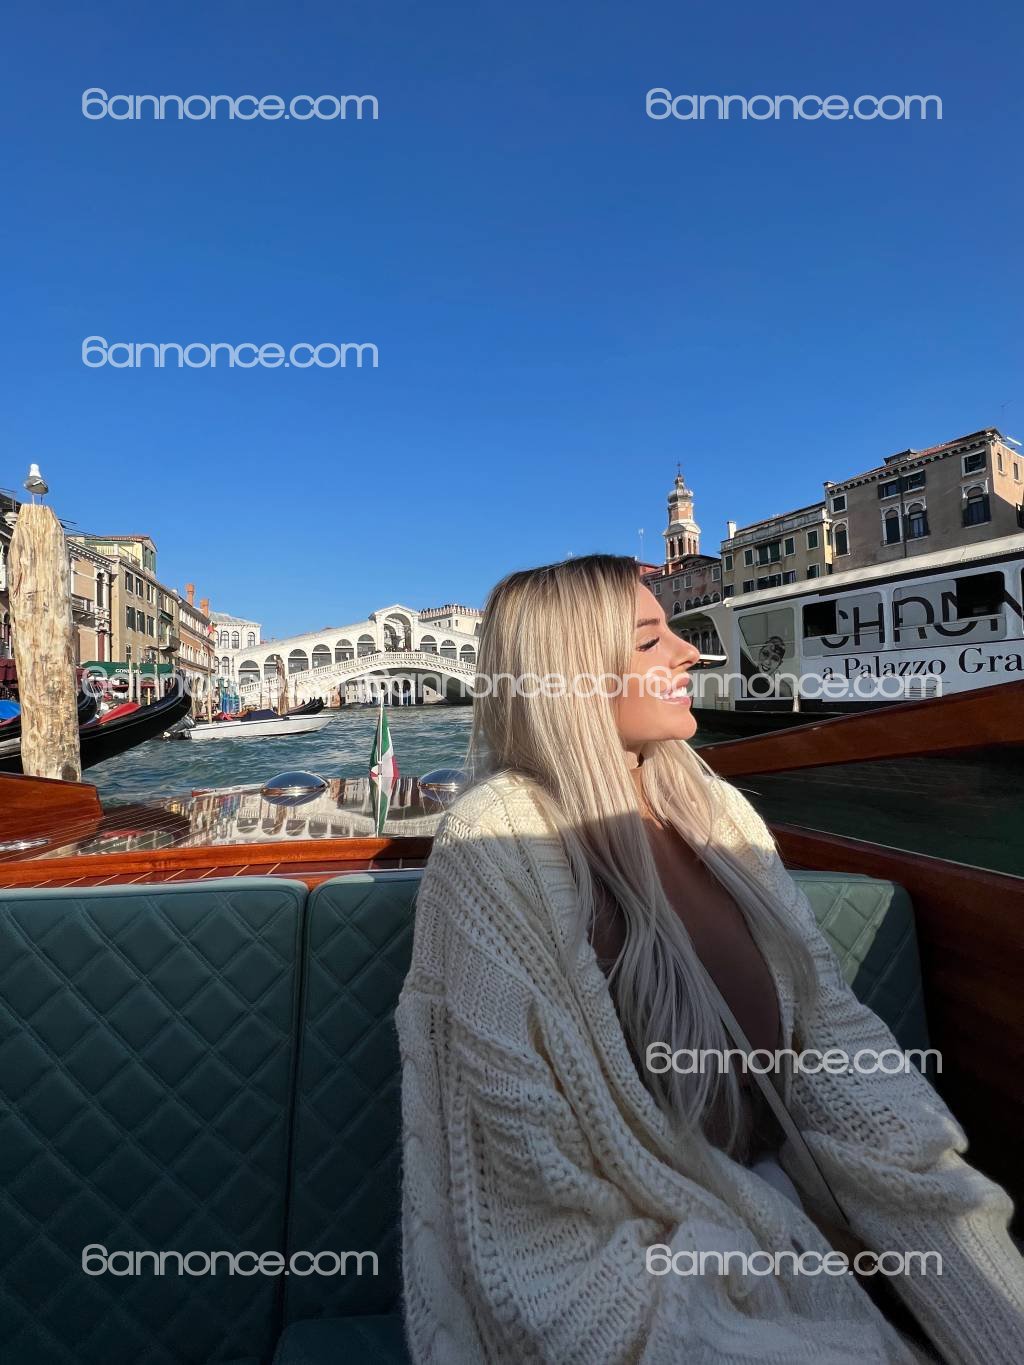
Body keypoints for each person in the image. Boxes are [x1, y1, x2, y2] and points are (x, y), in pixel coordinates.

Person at [397, 553, 1024, 1365]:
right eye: (650, 639)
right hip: (657, 1295)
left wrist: (988, 1292)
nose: (691, 651)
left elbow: (846, 1063)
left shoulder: (716, 807)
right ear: (570, 675)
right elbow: (542, 1241)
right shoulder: (491, 847)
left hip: (803, 1228)